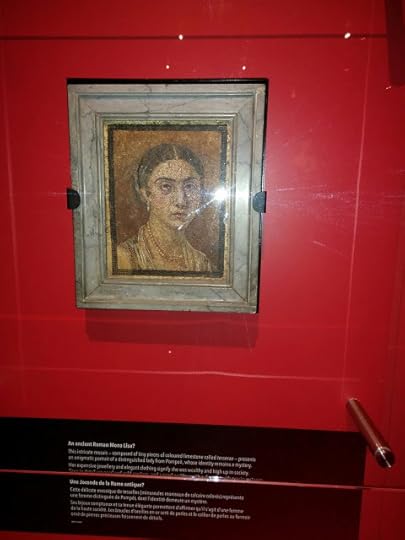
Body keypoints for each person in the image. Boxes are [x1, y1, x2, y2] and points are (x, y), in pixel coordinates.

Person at [117, 143, 212, 272]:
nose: (181, 201)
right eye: (166, 186)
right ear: (146, 194)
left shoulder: (203, 264)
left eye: (189, 186)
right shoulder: (124, 257)